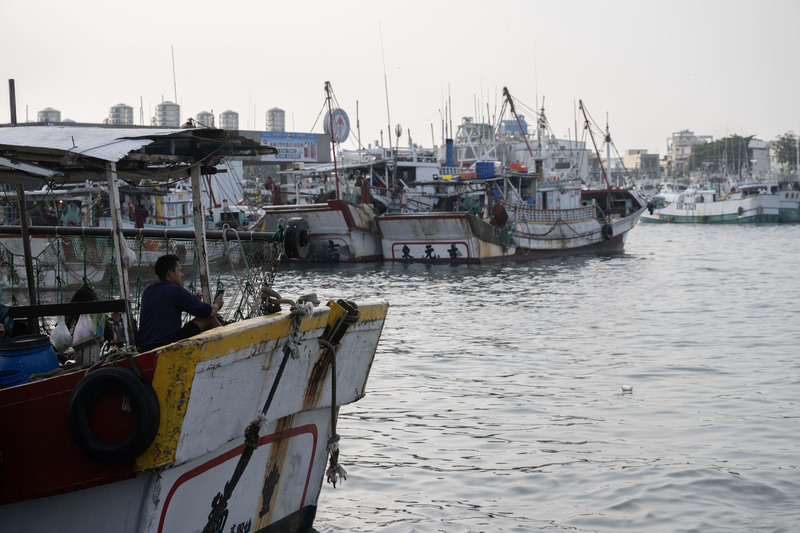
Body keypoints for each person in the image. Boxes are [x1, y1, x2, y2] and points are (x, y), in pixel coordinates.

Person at [136, 254, 224, 351]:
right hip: (168, 344)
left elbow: (165, 307)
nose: (182, 274)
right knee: (210, 318)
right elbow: (210, 311)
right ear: (170, 273)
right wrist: (217, 304)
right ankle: (227, 347)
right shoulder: (177, 291)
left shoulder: (148, 291)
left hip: (145, 345)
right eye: (180, 270)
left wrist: (191, 299)